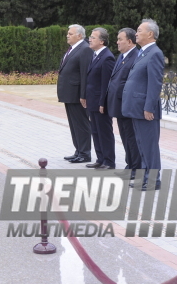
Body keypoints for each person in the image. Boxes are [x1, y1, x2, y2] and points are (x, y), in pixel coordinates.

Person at [122, 19, 165, 191]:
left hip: (145, 109)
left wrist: (149, 107)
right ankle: (146, 177)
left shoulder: (155, 53)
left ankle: (153, 180)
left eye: (139, 30)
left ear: (150, 34)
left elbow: (155, 84)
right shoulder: (143, 52)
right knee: (141, 144)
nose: (136, 33)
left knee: (149, 145)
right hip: (136, 107)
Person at [102, 28, 141, 179]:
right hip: (118, 104)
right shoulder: (122, 56)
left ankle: (136, 169)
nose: (117, 42)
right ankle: (129, 165)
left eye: (120, 39)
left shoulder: (135, 56)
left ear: (130, 42)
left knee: (131, 137)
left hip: (127, 104)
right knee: (125, 137)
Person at [58, 24, 93, 163]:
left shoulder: (84, 49)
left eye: (70, 33)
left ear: (79, 35)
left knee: (81, 124)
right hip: (69, 94)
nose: (67, 35)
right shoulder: (73, 49)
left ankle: (85, 153)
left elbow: (85, 74)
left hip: (78, 95)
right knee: (74, 124)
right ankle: (78, 150)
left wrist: (83, 95)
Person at [84, 28, 115, 170]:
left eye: (93, 37)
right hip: (92, 101)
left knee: (104, 132)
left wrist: (103, 102)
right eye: (90, 37)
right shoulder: (95, 55)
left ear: (102, 41)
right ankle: (100, 158)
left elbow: (106, 83)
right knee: (95, 131)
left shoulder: (107, 57)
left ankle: (109, 161)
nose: (89, 39)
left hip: (100, 102)